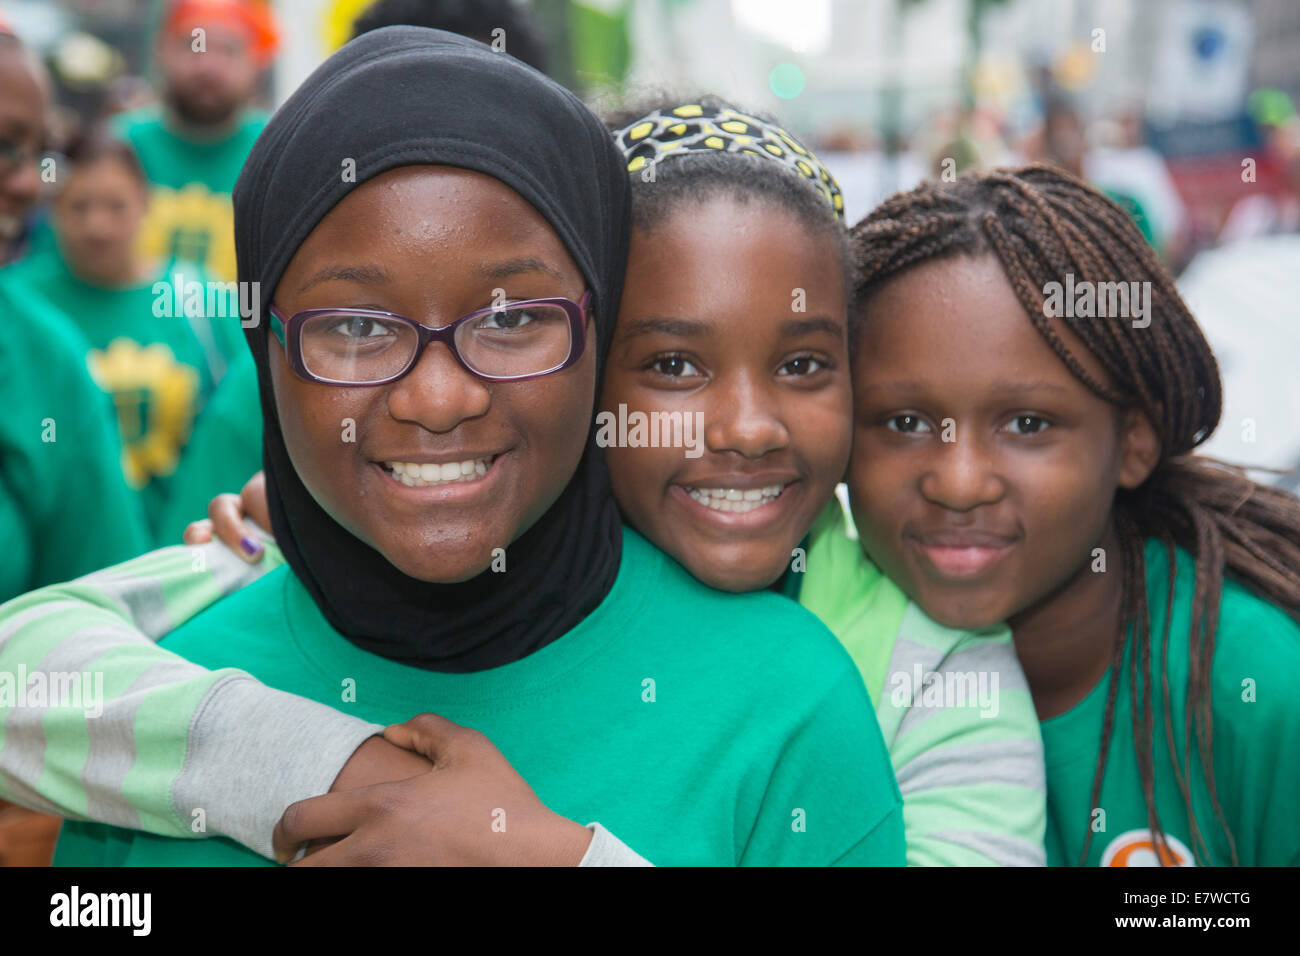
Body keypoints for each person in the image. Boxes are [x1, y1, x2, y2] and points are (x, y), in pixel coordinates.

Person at [0, 97, 1035, 868]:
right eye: (355, 328)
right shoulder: (201, 638)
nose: (745, 425)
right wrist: (325, 753)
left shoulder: (841, 683)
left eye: (509, 322)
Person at [838, 165, 1300, 865]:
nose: (959, 484)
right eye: (903, 421)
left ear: (1133, 443)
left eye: (1027, 423)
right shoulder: (809, 657)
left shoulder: (1259, 688)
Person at [0, 129, 251, 540]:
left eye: (115, 206)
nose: (96, 226)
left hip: (186, 558)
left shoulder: (198, 300)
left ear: (146, 202)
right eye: (78, 207)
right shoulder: (16, 302)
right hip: (60, 568)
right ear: (51, 207)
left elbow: (243, 422)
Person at [112, 0, 278, 280]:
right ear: (161, 52)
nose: (208, 66)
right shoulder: (117, 146)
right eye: (192, 45)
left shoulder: (278, 151)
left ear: (256, 61)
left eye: (228, 50)